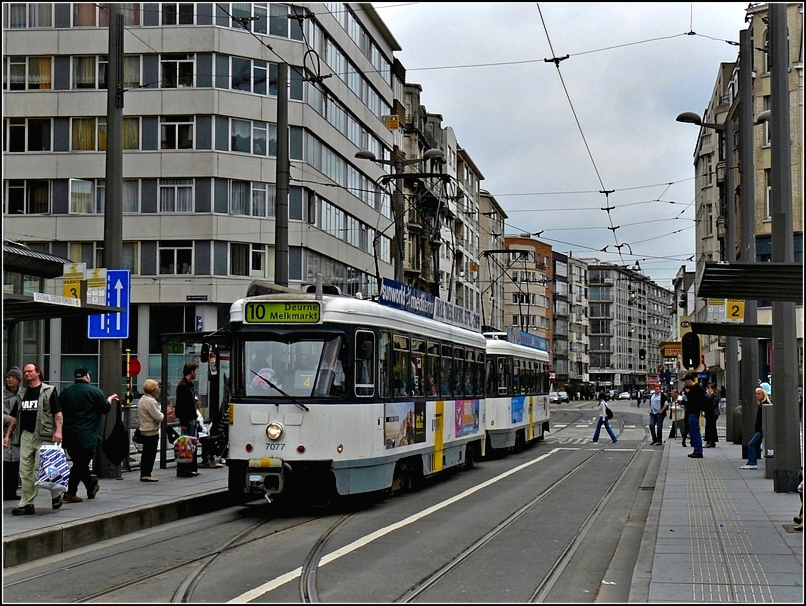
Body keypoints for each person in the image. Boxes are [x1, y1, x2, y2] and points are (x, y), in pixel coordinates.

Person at [2, 363, 62, 515]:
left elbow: (58, 413)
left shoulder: (49, 391)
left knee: (43, 468)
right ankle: (27, 503)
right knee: (25, 471)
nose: (27, 374)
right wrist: (8, 435)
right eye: (25, 372)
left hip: (44, 434)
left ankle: (56, 494)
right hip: (26, 436)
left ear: (37, 373)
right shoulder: (23, 393)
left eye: (30, 371)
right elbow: (15, 417)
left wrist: (59, 431)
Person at [59, 367, 118, 503]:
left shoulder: (66, 392)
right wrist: (109, 399)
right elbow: (105, 408)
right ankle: (70, 492)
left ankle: (92, 484)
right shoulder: (95, 392)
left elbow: (59, 410)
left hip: (69, 435)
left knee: (80, 463)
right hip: (88, 435)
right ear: (87, 376)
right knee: (80, 464)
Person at [174, 361, 200, 476]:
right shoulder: (183, 386)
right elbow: (181, 405)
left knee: (190, 444)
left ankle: (190, 467)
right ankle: (183, 468)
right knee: (185, 445)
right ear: (192, 372)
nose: (197, 373)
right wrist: (183, 421)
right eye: (195, 371)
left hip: (191, 418)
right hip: (188, 419)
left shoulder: (188, 385)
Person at [137, 378, 163, 482]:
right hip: (151, 430)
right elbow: (158, 417)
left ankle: (144, 472)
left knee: (145, 452)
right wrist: (162, 414)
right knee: (150, 453)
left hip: (143, 428)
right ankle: (146, 473)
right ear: (153, 390)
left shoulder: (142, 399)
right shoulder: (151, 401)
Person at [3, 367, 22, 500]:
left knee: (15, 464)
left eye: (14, 377)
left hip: (17, 434)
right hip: (4, 433)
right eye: (9, 377)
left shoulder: (23, 394)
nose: (10, 379)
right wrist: (6, 418)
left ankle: (11, 491)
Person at [740, 387, 769, 469]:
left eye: (759, 394)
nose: (757, 395)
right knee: (755, 445)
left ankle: (752, 462)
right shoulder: (761, 405)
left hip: (761, 429)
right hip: (760, 429)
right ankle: (751, 461)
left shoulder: (764, 405)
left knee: (751, 444)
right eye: (756, 394)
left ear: (763, 395)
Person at [682, 373, 705, 458]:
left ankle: (698, 450)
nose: (685, 383)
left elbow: (692, 403)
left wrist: (683, 402)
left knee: (695, 432)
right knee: (694, 432)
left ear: (690, 380)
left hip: (693, 413)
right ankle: (697, 450)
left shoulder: (695, 389)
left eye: (686, 381)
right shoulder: (697, 389)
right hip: (694, 412)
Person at [703, 382, 720, 448]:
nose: (708, 390)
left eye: (709, 388)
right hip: (711, 413)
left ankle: (709, 441)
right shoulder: (710, 396)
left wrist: (705, 410)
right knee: (711, 427)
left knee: (709, 427)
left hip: (712, 413)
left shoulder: (714, 397)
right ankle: (712, 441)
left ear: (712, 389)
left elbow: (712, 405)